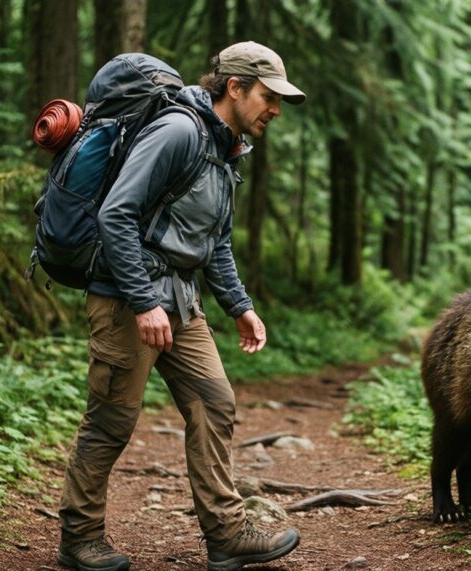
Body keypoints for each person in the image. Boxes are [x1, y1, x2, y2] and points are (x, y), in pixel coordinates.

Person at [56, 41, 306, 571]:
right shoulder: (178, 132)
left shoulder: (225, 149)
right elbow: (117, 215)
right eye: (269, 96)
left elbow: (214, 240)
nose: (276, 110)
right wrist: (144, 302)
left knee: (214, 402)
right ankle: (79, 540)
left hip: (182, 304)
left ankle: (227, 535)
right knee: (111, 423)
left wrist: (239, 304)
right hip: (129, 302)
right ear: (234, 87)